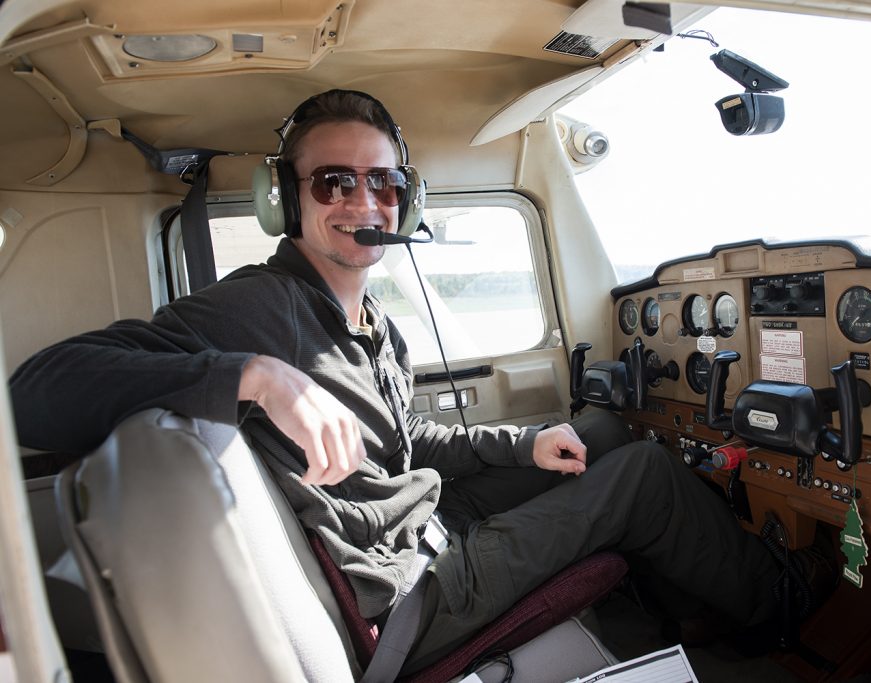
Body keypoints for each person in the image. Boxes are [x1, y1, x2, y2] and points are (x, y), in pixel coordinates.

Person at [9, 90, 782, 673]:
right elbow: (35, 392)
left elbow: (409, 438)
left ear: (404, 199)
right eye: (332, 182)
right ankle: (789, 606)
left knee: (597, 431)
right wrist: (254, 375)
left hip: (419, 523)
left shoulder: (375, 320)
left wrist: (526, 440)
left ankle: (694, 609)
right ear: (286, 199)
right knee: (645, 471)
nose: (361, 201)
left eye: (382, 183)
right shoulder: (256, 309)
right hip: (405, 594)